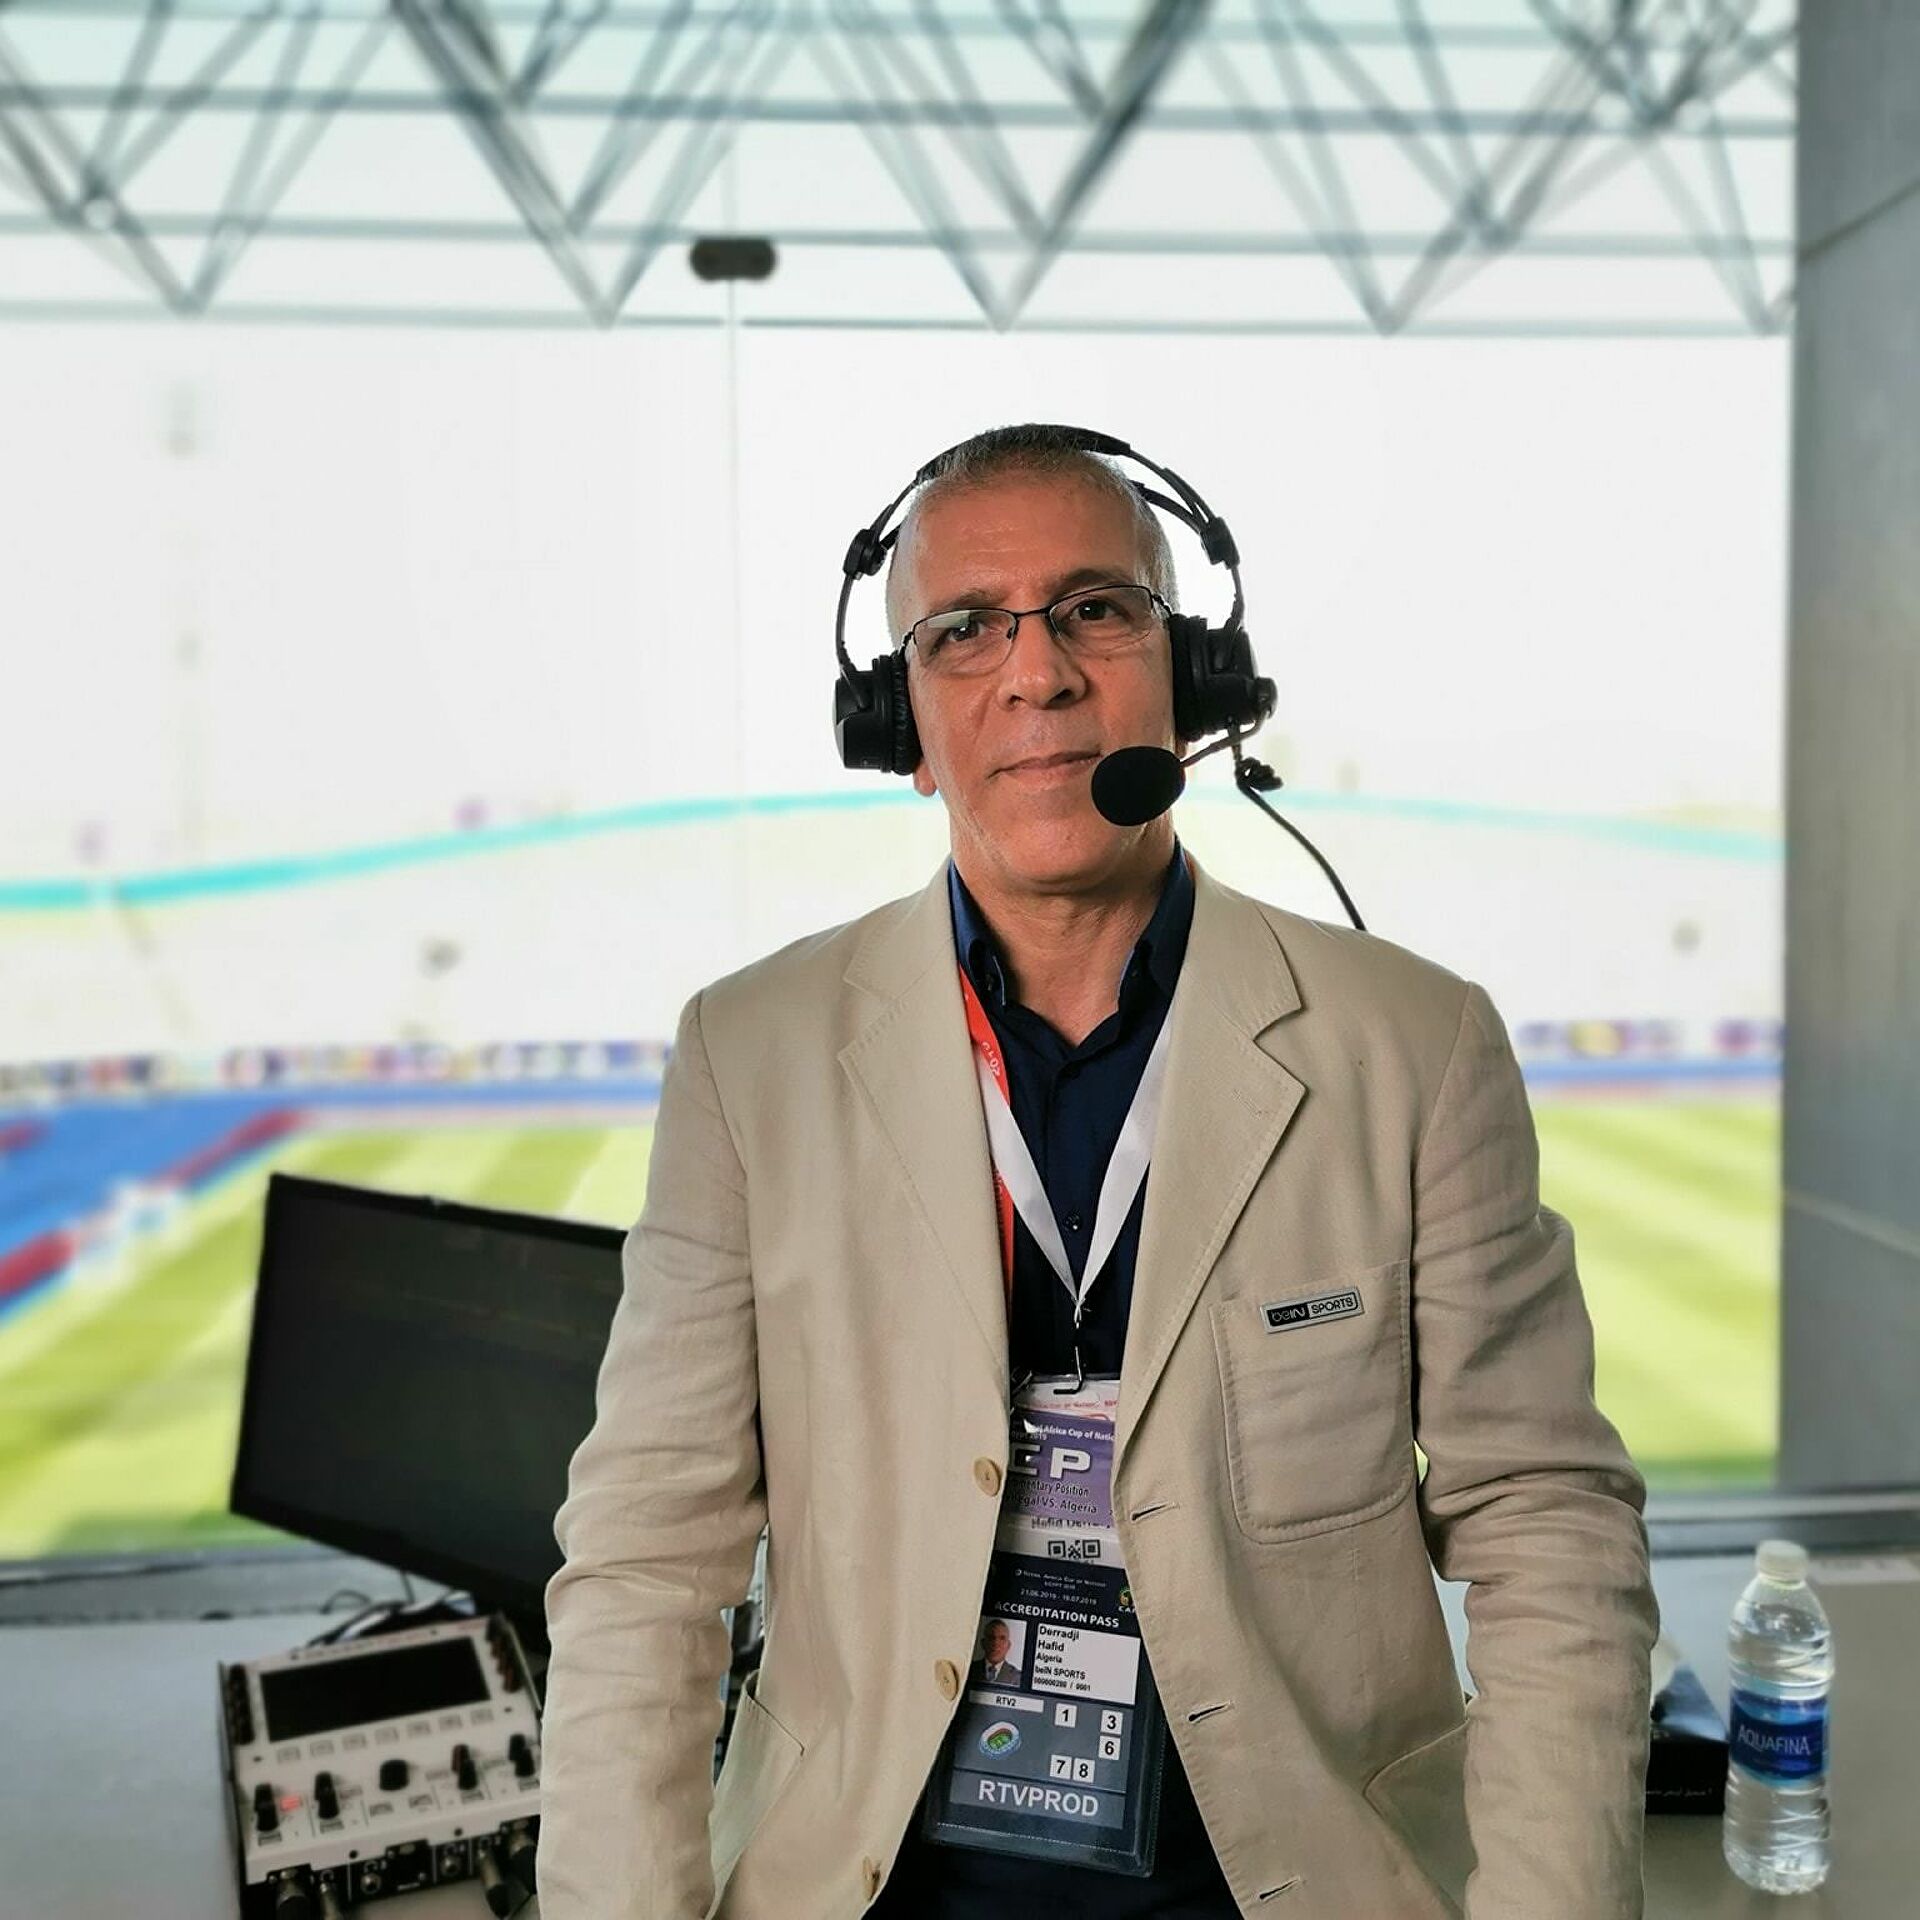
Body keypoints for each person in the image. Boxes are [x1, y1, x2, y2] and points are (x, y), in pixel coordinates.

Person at [538, 424, 1661, 1919]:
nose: (1037, 674)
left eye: (1094, 608)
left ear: (1193, 675)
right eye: (963, 630)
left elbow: (1546, 1523)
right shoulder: (748, 1056)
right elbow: (646, 1557)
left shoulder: (1416, 1045)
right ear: (896, 723)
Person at [970, 1619, 1021, 1688]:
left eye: (1002, 1638)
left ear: (1008, 1645)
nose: (996, 1643)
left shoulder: (1018, 1677)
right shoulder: (969, 1669)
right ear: (983, 1643)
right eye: (991, 1637)